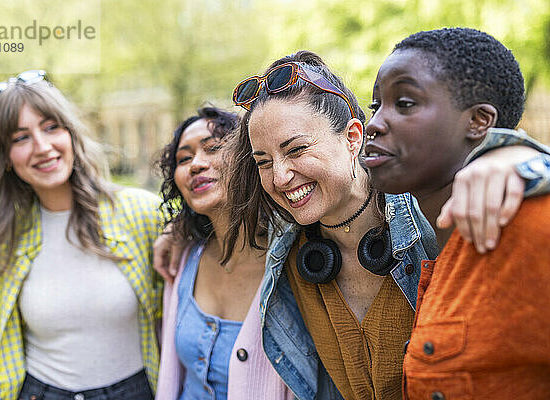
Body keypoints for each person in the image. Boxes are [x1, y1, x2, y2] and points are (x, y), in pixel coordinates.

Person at [217, 50, 550, 400]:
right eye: (264, 162)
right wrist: (173, 238)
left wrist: (514, 153)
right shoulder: (286, 255)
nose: (280, 177)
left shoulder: (433, 215)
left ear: (352, 137)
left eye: (297, 150)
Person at [364, 27, 550, 399]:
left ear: (479, 121)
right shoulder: (430, 251)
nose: (374, 123)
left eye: (404, 103)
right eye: (376, 106)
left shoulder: (533, 227)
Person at [0, 71, 163, 400]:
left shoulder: (141, 213)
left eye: (51, 127)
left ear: (70, 134)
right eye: (20, 137)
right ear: (6, 158)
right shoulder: (2, 242)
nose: (42, 147)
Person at [154, 107, 293, 400]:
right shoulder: (183, 260)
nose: (196, 165)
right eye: (184, 158)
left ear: (249, 157)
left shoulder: (290, 261)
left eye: (213, 148)